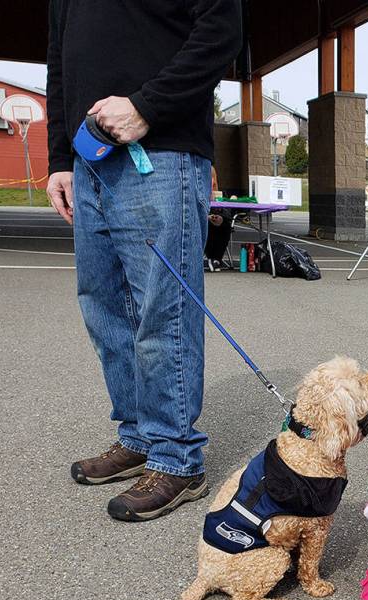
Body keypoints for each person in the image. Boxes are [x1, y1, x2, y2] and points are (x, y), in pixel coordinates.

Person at [45, 0, 242, 521]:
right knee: (104, 307)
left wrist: (147, 106)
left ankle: (177, 457)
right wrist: (59, 160)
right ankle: (137, 436)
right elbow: (59, 62)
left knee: (163, 310)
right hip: (87, 162)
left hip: (162, 151)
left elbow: (222, 29)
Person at [205, 167, 234, 270]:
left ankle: (217, 258)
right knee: (208, 225)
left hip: (219, 220)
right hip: (204, 219)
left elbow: (228, 211)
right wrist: (206, 217)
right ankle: (210, 257)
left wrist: (221, 218)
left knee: (226, 224)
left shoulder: (221, 194)